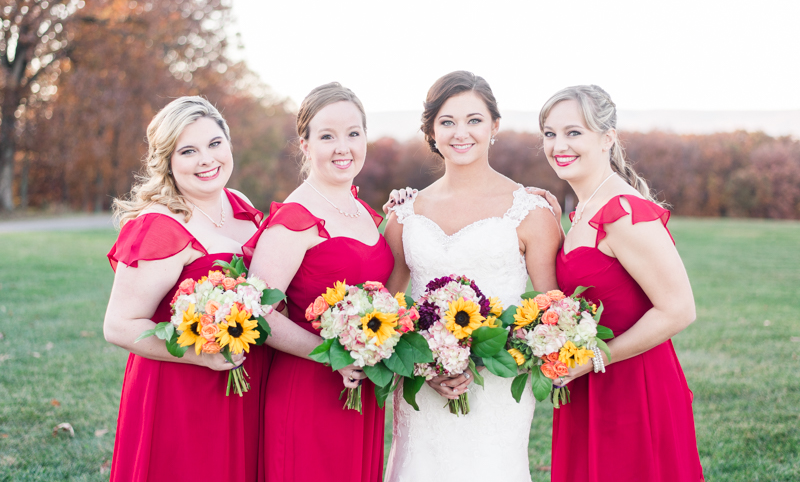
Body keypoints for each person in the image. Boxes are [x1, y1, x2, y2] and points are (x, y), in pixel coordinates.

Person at [382, 71, 562, 482]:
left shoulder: (529, 211)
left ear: (494, 125)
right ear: (430, 131)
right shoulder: (405, 212)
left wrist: (482, 358)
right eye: (447, 121)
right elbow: (389, 311)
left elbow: (553, 312)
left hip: (497, 390)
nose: (460, 132)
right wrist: (425, 367)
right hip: (422, 389)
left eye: (474, 120)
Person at [540, 85, 704, 481]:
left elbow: (680, 309)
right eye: (549, 133)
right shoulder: (583, 210)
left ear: (607, 138)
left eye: (574, 132)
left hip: (634, 386)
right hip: (589, 383)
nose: (559, 144)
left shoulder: (623, 211)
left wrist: (597, 358)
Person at [103, 96, 267, 481]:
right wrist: (199, 356)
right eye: (188, 151)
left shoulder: (238, 202)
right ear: (169, 162)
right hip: (182, 388)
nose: (207, 160)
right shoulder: (160, 225)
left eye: (214, 144)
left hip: (243, 379)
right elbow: (118, 325)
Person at [243, 82, 392, 482]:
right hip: (308, 388)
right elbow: (258, 311)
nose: (343, 147)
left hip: (360, 388)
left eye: (353, 133)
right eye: (327, 136)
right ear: (306, 144)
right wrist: (332, 356)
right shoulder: (295, 217)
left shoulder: (364, 211)